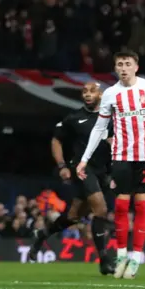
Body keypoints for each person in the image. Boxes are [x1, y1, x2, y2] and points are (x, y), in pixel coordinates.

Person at [76, 50, 145, 279]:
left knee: (141, 206)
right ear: (115, 68)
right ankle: (121, 255)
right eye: (119, 64)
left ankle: (136, 258)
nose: (123, 68)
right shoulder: (110, 94)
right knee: (120, 207)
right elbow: (99, 128)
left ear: (136, 67)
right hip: (121, 157)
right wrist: (84, 159)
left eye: (127, 63)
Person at [29, 81, 115, 275]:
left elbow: (116, 140)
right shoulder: (74, 118)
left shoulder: (111, 117)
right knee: (100, 210)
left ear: (100, 94)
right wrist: (62, 166)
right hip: (83, 169)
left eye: (92, 91)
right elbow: (56, 140)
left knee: (73, 216)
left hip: (103, 171)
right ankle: (104, 260)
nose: (87, 94)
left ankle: (43, 234)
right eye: (84, 91)